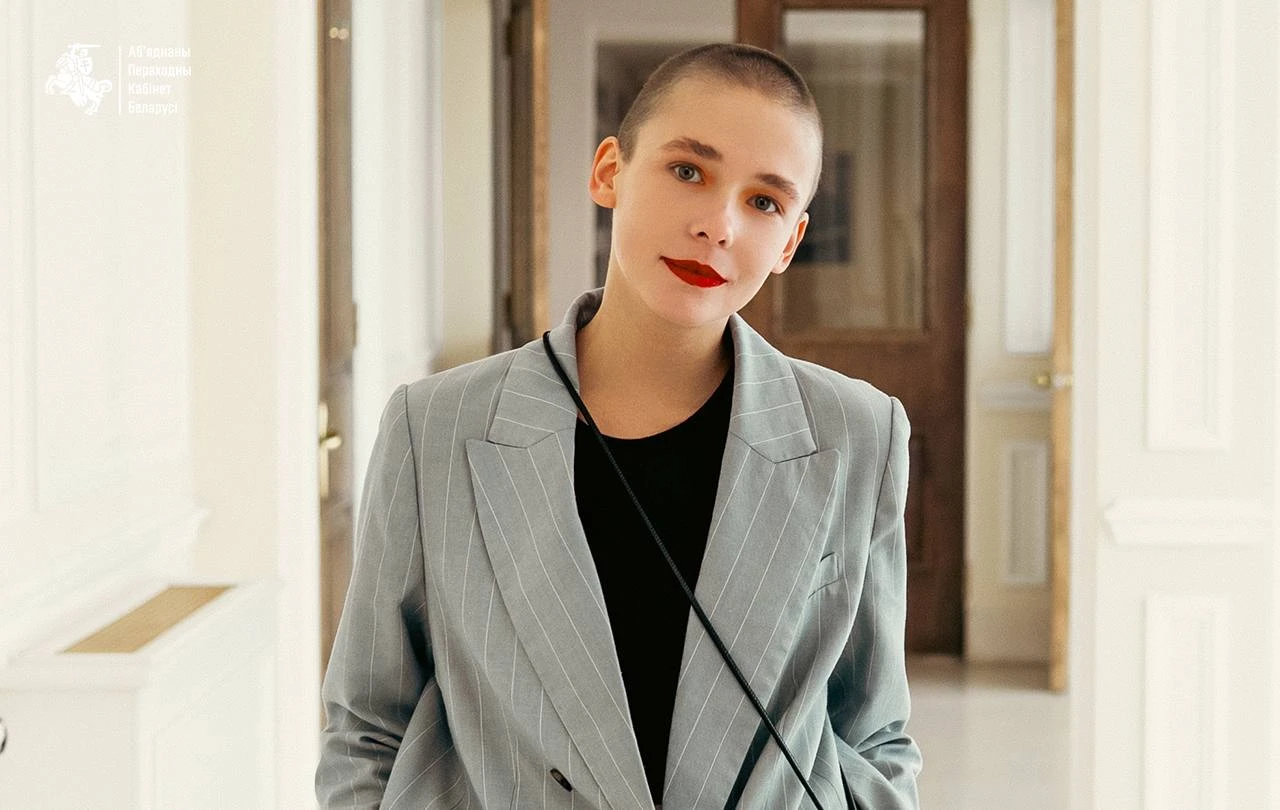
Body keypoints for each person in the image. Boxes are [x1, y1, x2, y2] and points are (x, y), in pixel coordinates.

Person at [317, 43, 921, 809]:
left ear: (789, 244)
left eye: (764, 202)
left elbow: (874, 730)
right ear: (610, 172)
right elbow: (367, 726)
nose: (718, 225)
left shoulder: (858, 432)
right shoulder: (434, 426)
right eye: (688, 171)